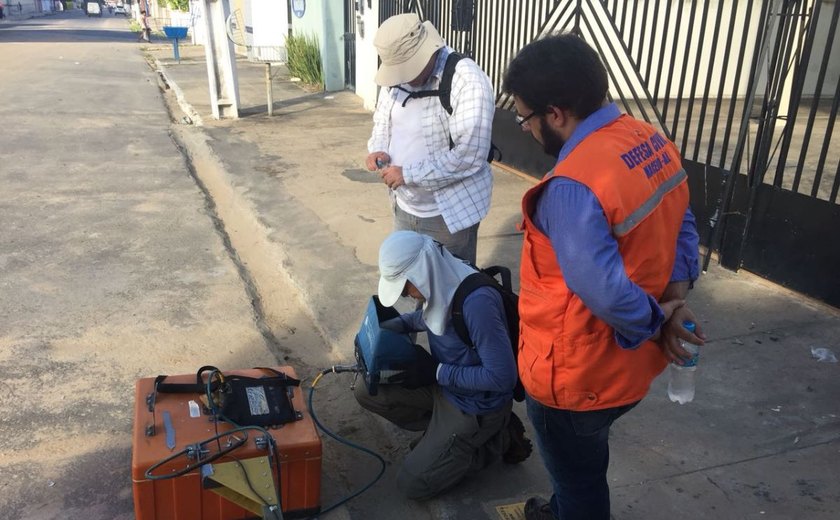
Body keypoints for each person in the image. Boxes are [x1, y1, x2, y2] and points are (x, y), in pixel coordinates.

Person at [501, 34, 706, 520]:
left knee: (581, 482)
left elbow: (601, 289)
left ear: (556, 114)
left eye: (525, 118)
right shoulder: (648, 139)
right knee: (581, 468)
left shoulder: (573, 187)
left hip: (575, 379)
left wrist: (659, 320)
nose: (525, 129)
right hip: (627, 368)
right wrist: (673, 300)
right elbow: (684, 222)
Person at [353, 230, 532, 499]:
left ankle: (498, 439)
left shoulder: (477, 303)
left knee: (413, 484)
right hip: (445, 386)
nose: (407, 295)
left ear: (422, 272)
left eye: (405, 287)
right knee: (367, 389)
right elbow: (431, 315)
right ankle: (443, 438)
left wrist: (437, 372)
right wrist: (391, 327)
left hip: (474, 406)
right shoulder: (441, 274)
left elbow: (502, 377)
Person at [365, 14, 495, 265]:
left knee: (450, 291)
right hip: (404, 207)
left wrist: (408, 174)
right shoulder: (396, 82)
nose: (402, 77)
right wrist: (378, 148)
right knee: (409, 283)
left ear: (426, 52)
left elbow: (469, 156)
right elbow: (383, 120)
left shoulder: (466, 79)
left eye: (407, 68)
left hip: (448, 215)